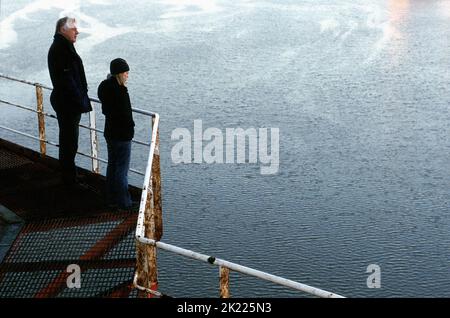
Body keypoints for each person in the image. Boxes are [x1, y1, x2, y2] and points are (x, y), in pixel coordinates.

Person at [48, 17, 92, 186]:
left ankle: (70, 175)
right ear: (62, 30)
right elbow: (67, 81)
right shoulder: (61, 50)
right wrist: (80, 99)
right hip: (68, 104)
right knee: (69, 142)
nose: (77, 31)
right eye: (74, 28)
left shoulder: (62, 47)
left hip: (67, 102)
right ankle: (69, 180)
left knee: (69, 141)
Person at [97, 58, 135, 210]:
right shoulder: (120, 92)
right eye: (126, 73)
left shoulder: (105, 87)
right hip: (122, 136)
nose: (127, 76)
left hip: (110, 132)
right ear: (119, 74)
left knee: (112, 165)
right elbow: (126, 115)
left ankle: (111, 198)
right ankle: (124, 203)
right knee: (122, 169)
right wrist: (131, 129)